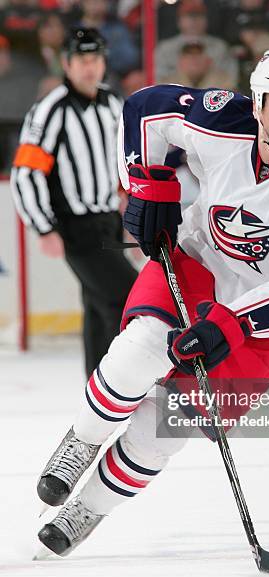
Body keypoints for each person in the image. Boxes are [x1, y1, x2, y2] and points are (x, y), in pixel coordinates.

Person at [34, 50, 269, 558]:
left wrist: (225, 326)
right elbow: (143, 108)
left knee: (166, 425)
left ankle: (91, 507)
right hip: (200, 261)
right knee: (136, 352)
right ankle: (82, 440)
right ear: (258, 106)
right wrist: (148, 187)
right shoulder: (220, 118)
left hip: (261, 318)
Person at [10, 27, 137, 377]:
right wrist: (43, 227)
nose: (89, 67)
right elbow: (26, 172)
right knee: (126, 298)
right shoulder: (51, 110)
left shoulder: (113, 103)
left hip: (108, 220)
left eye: (95, 58)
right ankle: (121, 383)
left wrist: (131, 207)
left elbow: (126, 160)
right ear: (66, 64)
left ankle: (98, 390)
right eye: (82, 59)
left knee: (99, 306)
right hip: (76, 227)